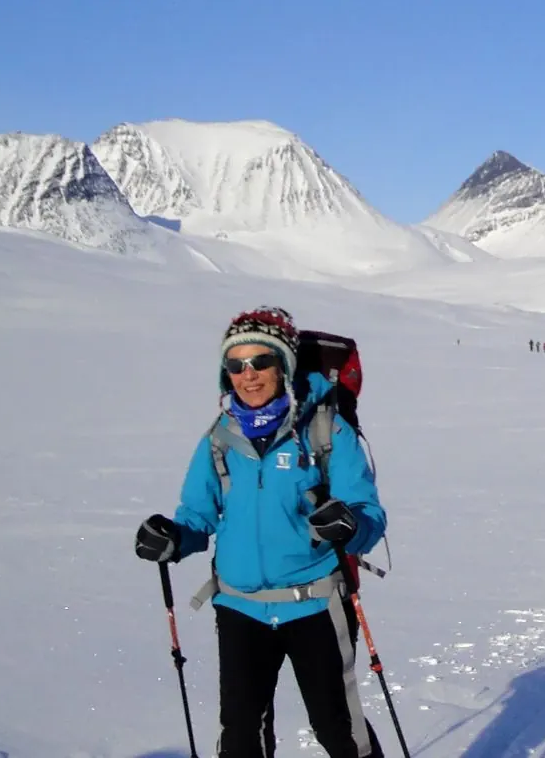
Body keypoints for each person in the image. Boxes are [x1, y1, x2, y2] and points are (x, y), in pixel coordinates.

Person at [135, 305, 389, 758]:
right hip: (240, 608)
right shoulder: (220, 438)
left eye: (260, 362)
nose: (247, 375)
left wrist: (350, 526)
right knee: (240, 739)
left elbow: (367, 513)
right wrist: (173, 538)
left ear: (284, 365)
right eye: (235, 365)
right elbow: (198, 515)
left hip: (314, 603)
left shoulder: (325, 428)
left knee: (338, 727)